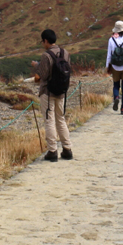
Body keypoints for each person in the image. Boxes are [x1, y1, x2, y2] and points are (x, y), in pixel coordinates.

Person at [30, 28, 73, 161]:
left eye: (42, 41)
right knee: (61, 119)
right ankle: (67, 149)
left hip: (48, 92)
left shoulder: (46, 55)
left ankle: (52, 151)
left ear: (46, 41)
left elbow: (43, 75)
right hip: (61, 91)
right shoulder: (65, 53)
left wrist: (36, 66)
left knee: (49, 120)